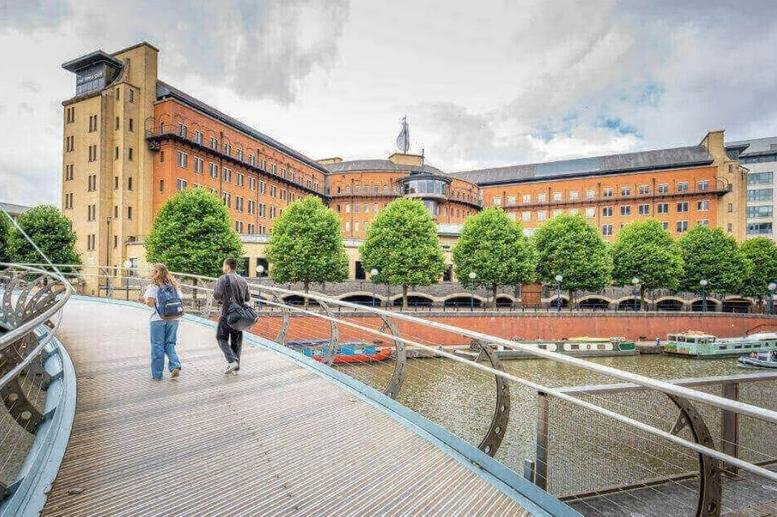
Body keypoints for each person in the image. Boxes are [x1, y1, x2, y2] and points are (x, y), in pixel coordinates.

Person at [143, 263, 183, 380]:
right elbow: (180, 299)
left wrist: (145, 300)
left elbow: (150, 303)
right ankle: (175, 365)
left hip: (158, 319)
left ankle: (157, 375)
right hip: (174, 319)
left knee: (157, 346)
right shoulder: (174, 285)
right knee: (170, 343)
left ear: (156, 272)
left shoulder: (154, 286)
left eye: (152, 271)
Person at [213, 258, 250, 374]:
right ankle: (236, 368)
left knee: (221, 338)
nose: (222, 268)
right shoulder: (243, 280)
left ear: (227, 267)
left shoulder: (223, 279)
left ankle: (232, 361)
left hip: (226, 313)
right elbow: (247, 298)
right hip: (240, 315)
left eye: (223, 266)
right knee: (236, 341)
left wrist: (223, 299)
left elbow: (217, 295)